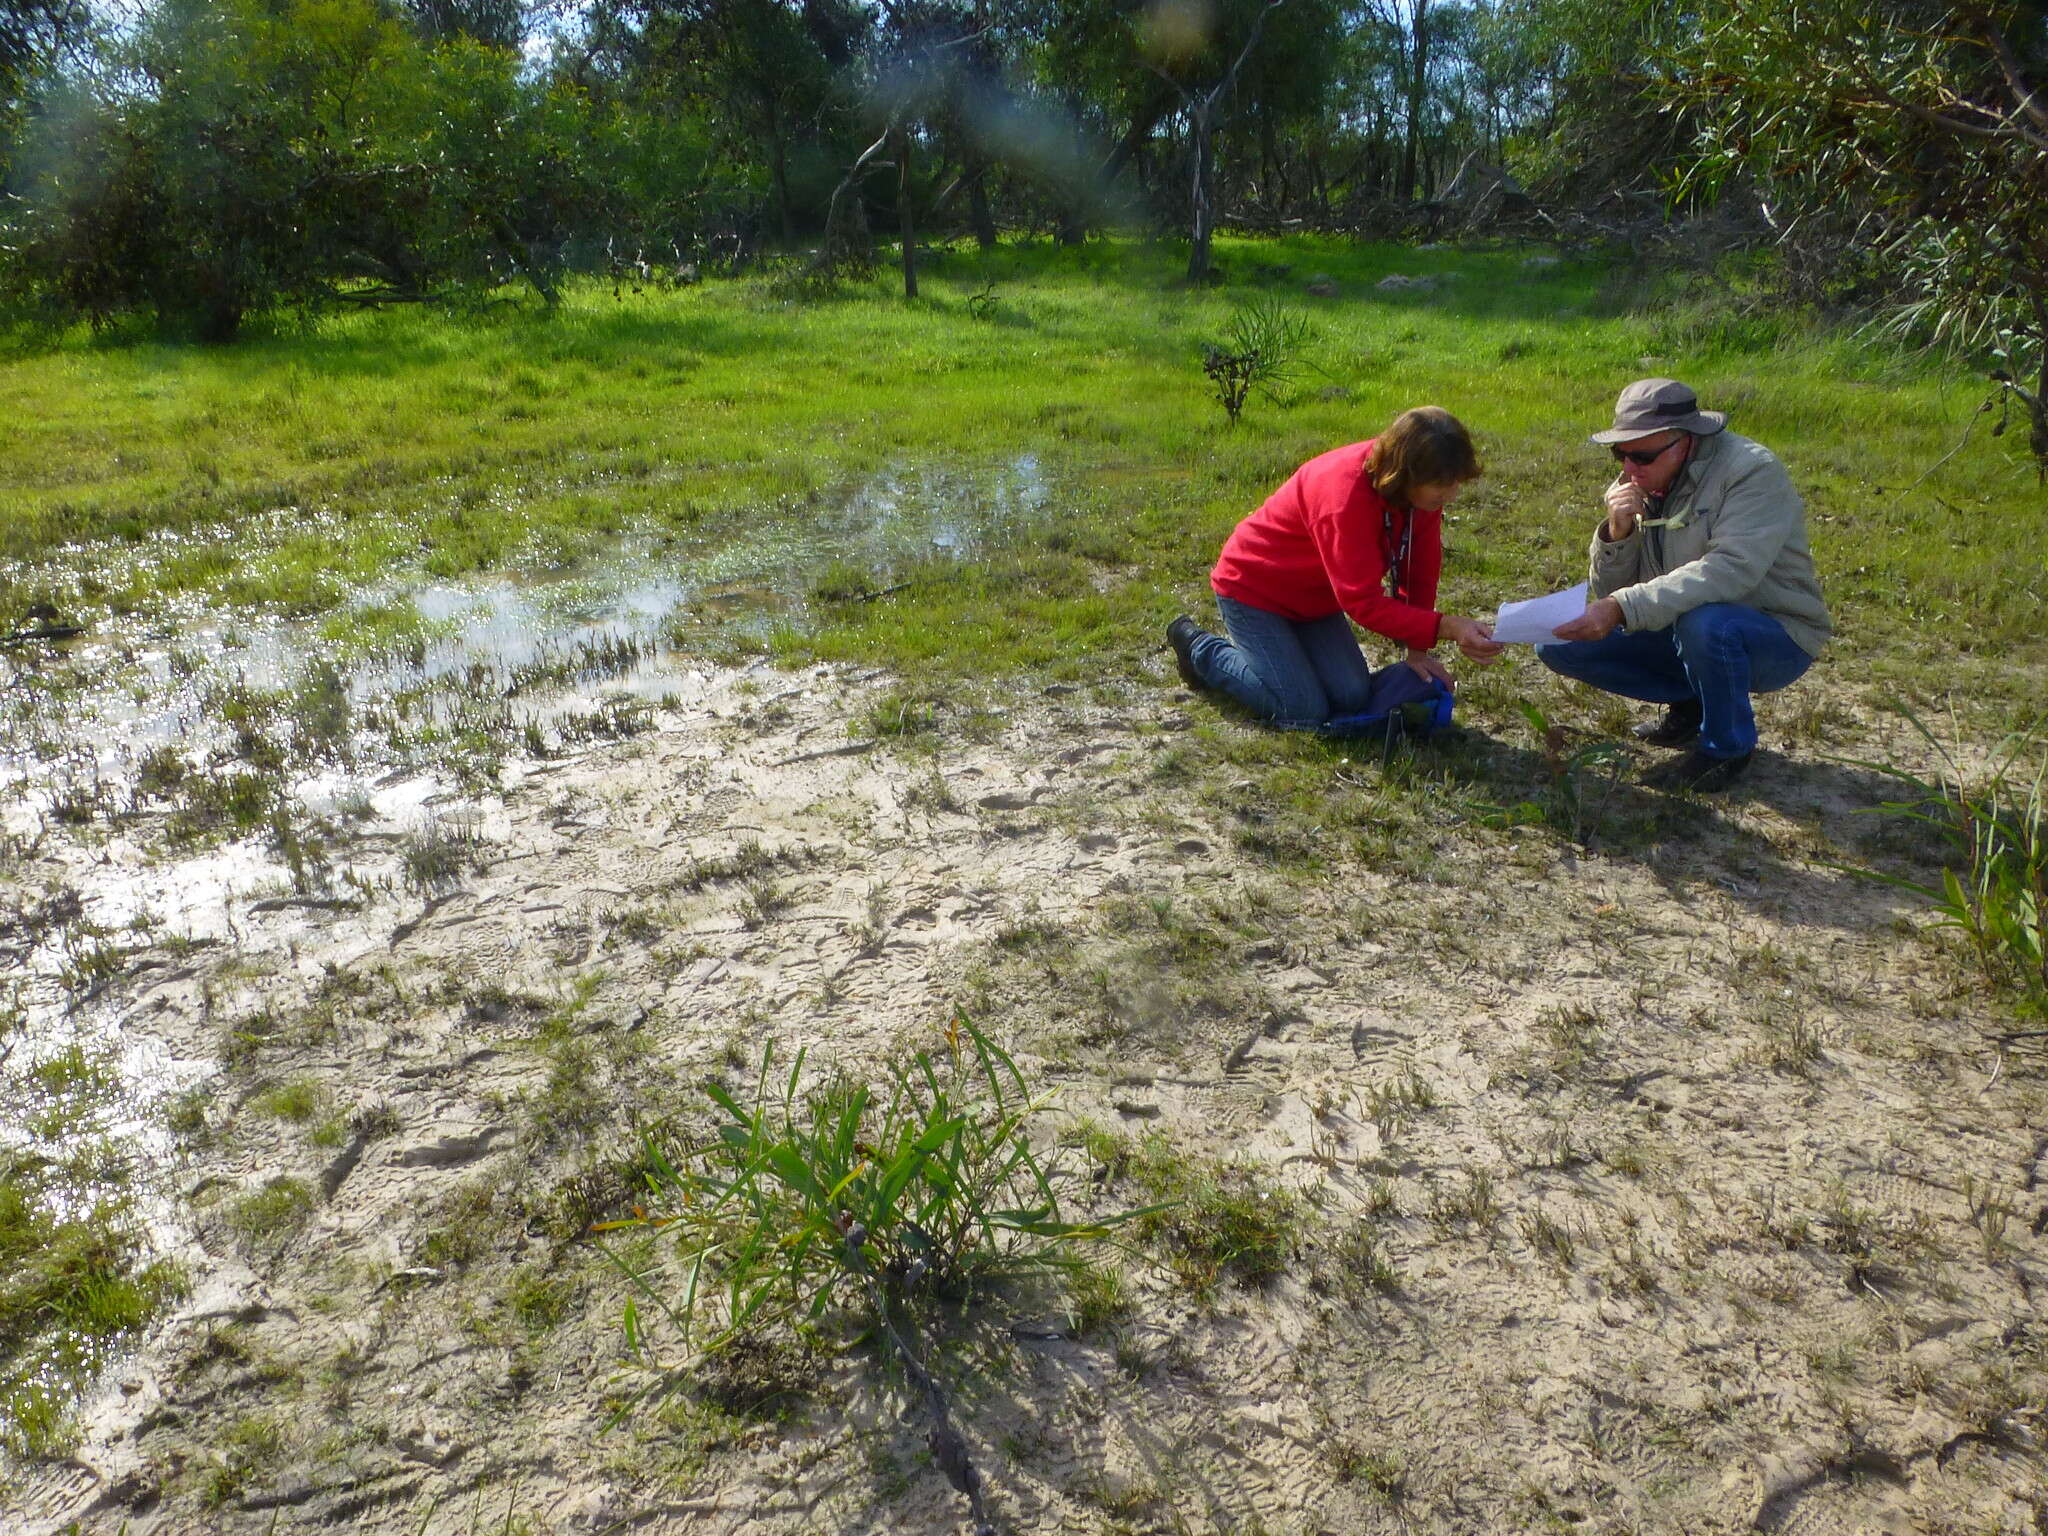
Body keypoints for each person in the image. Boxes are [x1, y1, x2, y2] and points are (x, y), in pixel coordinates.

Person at [1539, 378, 1831, 792]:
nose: (1627, 469)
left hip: (1775, 634)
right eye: (1618, 454)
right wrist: (1618, 533)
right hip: (1685, 627)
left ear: (1684, 441)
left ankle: (1726, 749)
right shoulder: (1641, 483)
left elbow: (1730, 571)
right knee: (1556, 643)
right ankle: (1696, 703)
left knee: (1707, 623)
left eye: (1640, 455)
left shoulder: (1752, 471)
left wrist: (1622, 607)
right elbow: (1613, 592)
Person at [1165, 406, 1504, 730]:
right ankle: (1199, 649)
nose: (1454, 493)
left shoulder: (1418, 495)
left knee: (1352, 695)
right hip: (1254, 591)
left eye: (1457, 482)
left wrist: (1416, 649)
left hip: (1314, 601)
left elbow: (1420, 568)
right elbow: (1363, 603)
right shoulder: (1343, 498)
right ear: (1407, 472)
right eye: (1444, 485)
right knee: (1301, 710)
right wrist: (1447, 626)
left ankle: (1284, 656)